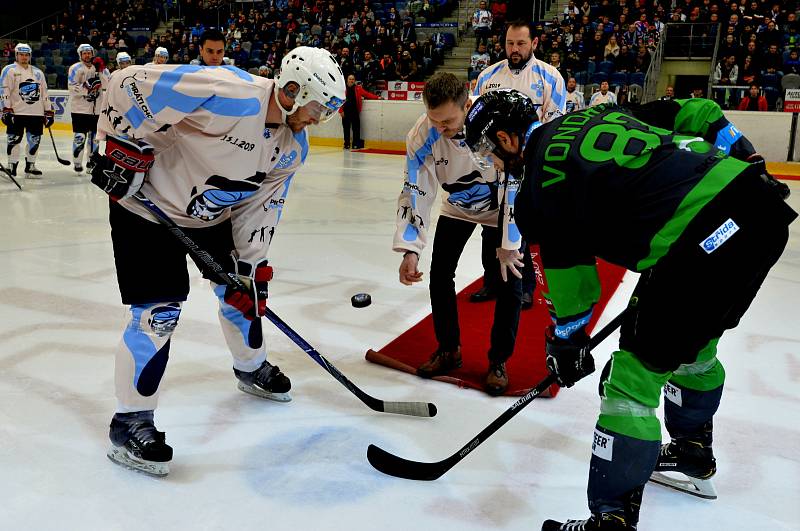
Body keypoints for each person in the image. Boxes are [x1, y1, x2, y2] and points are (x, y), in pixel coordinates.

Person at [464, 88, 796, 531]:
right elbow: (700, 112)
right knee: (692, 345)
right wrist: (750, 159)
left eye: (489, 149)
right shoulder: (602, 112)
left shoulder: (537, 188)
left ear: (507, 138)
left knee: (630, 381)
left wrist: (566, 343)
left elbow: (574, 287)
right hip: (759, 212)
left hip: (702, 242)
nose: (493, 161)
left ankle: (610, 520)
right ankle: (691, 453)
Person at [91, 47, 345, 476]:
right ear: (293, 90)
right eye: (319, 108)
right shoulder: (227, 91)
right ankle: (130, 421)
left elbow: (262, 208)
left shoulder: (293, 147)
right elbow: (127, 84)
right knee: (159, 314)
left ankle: (250, 367)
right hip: (147, 208)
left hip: (210, 215)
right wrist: (120, 145)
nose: (320, 119)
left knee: (240, 294)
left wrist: (249, 269)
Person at [394, 73, 522, 396]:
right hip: (457, 207)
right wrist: (411, 249)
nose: (440, 128)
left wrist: (509, 242)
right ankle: (449, 349)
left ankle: (498, 361)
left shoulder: (494, 125)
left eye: (448, 121)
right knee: (439, 276)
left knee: (510, 281)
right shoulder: (421, 136)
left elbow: (516, 179)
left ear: (467, 105)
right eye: (434, 120)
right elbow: (416, 191)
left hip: (501, 206)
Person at [472, 20, 567, 309]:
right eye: (510, 43)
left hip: (527, 170)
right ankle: (490, 280)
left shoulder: (550, 77)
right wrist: (491, 157)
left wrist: (527, 158)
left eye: (521, 44)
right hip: (493, 168)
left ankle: (524, 287)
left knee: (522, 225)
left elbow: (555, 127)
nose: (514, 49)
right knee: (490, 227)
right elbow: (475, 124)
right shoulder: (487, 76)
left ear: (534, 44)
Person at [0, 43, 53, 179]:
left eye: (26, 55)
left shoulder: (37, 72)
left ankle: (30, 165)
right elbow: (4, 90)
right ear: (16, 55)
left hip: (36, 113)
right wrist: (5, 109)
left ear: (30, 56)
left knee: (34, 140)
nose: (24, 57)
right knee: (14, 140)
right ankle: (12, 166)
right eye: (21, 54)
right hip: (16, 113)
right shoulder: (9, 70)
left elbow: (44, 93)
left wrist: (48, 111)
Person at [68, 44, 105, 173]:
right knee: (80, 137)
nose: (87, 55)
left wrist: (101, 70)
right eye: (84, 53)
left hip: (97, 109)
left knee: (95, 138)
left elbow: (107, 84)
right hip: (79, 109)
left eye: (89, 52)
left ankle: (92, 162)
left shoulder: (99, 68)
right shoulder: (75, 68)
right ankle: (77, 162)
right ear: (80, 54)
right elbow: (72, 87)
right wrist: (87, 88)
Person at [340, 74, 380, 150]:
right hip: (345, 112)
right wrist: (341, 110)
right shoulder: (343, 89)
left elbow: (367, 94)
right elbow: (339, 100)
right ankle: (347, 144)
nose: (351, 80)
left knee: (356, 129)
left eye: (353, 79)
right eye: (350, 79)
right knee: (346, 129)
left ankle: (355, 144)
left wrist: (377, 97)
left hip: (355, 111)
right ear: (347, 80)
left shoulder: (358, 88)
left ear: (354, 80)